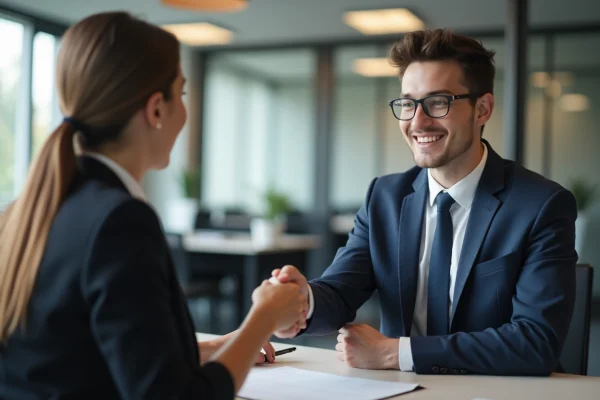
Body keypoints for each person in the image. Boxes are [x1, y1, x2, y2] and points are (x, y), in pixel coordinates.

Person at [0, 12, 306, 399]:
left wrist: (216, 347)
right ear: (156, 109)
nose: (184, 109)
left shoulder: (30, 211)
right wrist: (262, 319)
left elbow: (81, 356)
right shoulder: (120, 221)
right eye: (181, 92)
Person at [272, 29, 577, 376]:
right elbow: (341, 289)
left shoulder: (541, 206)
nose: (417, 122)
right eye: (407, 103)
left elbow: (535, 343)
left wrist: (395, 353)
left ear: (483, 109)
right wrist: (301, 302)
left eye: (438, 102)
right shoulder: (384, 197)